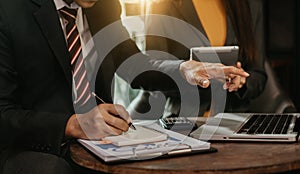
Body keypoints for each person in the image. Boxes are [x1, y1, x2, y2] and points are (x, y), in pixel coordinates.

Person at [0, 0, 249, 173]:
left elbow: (134, 64)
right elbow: (4, 115)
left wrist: (185, 68)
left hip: (106, 144)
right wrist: (73, 124)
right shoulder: (8, 11)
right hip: (36, 146)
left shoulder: (102, 6)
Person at [137, 0, 267, 117]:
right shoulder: (162, 4)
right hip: (182, 119)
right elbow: (152, 70)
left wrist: (242, 82)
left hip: (234, 120)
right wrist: (185, 71)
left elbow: (258, 75)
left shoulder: (250, 5)